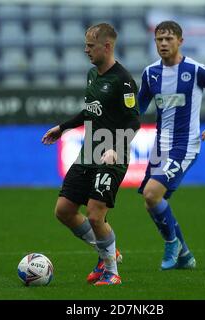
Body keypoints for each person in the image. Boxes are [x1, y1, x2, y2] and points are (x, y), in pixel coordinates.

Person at [41, 23, 140, 285]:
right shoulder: (92, 75)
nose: (86, 50)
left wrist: (116, 148)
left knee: (96, 215)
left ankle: (111, 272)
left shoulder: (123, 81)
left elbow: (134, 122)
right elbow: (90, 112)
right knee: (64, 210)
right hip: (89, 153)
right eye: (85, 45)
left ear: (106, 46)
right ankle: (107, 251)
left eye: (90, 46)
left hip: (112, 156)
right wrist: (62, 128)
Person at [137, 21, 205, 270]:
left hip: (186, 144)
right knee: (152, 202)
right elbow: (138, 107)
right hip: (160, 145)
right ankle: (185, 256)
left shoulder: (195, 69)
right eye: (159, 39)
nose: (163, 43)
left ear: (180, 41)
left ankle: (171, 243)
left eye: (169, 39)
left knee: (151, 194)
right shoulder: (150, 73)